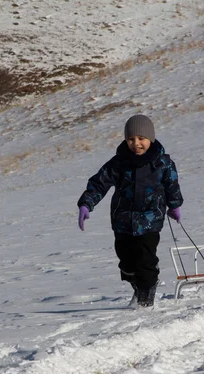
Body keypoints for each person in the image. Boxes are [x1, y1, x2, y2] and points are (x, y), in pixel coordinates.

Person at [77, 114, 183, 308]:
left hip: (151, 220)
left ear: (150, 139)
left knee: (145, 261)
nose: (136, 144)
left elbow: (172, 185)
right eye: (131, 139)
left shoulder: (163, 163)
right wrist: (86, 203)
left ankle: (145, 301)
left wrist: (174, 205)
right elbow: (99, 183)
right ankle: (138, 287)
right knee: (126, 263)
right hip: (123, 221)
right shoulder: (119, 163)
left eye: (141, 139)